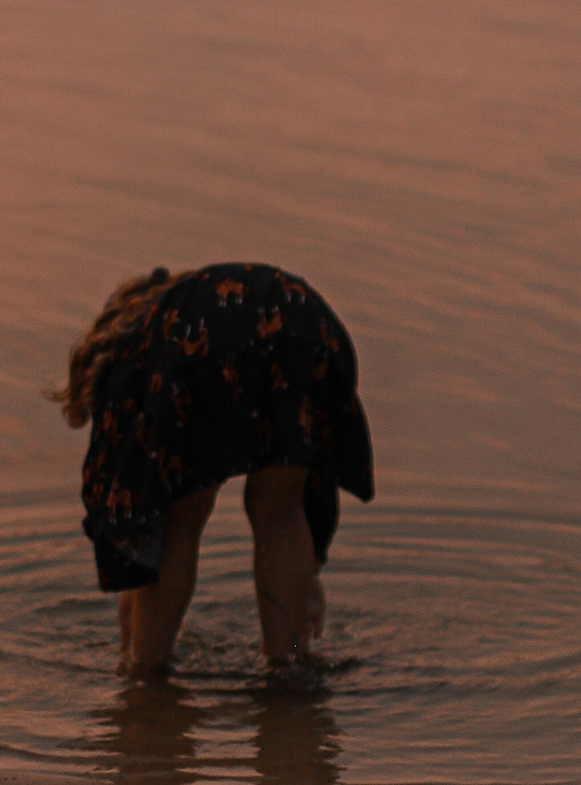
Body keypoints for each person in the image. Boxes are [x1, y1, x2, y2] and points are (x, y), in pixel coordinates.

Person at [51, 263, 374, 676]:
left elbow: (130, 500)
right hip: (306, 323)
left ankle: (147, 674)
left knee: (180, 517)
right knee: (280, 510)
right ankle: (288, 668)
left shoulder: (136, 341)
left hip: (202, 348)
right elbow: (311, 475)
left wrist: (133, 593)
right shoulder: (198, 296)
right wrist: (306, 569)